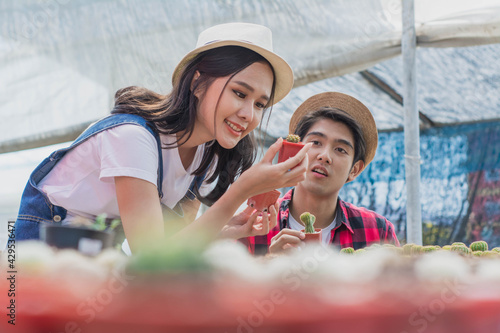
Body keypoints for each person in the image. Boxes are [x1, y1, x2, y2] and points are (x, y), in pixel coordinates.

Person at [12, 22, 312, 253]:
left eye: (260, 104)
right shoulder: (133, 138)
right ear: (198, 82)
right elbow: (148, 255)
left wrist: (227, 228)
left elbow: (168, 253)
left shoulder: (205, 156)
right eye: (239, 93)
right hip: (41, 256)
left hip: (94, 262)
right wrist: (240, 191)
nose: (249, 114)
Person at [243, 92, 400, 255]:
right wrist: (271, 265)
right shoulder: (252, 226)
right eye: (316, 142)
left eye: (340, 149)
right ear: (295, 152)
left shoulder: (378, 231)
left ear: (354, 170)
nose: (325, 156)